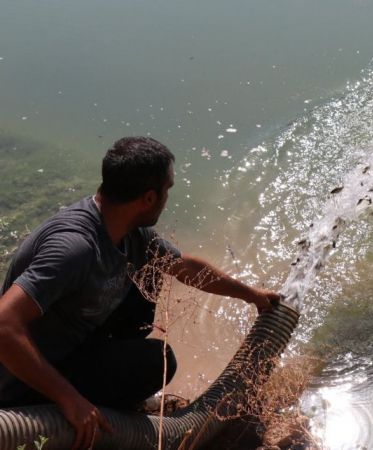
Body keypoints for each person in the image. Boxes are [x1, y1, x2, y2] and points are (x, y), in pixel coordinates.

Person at [0, 137, 281, 449]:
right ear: (149, 198)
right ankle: (89, 415)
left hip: (73, 348)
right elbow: (3, 325)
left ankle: (108, 407)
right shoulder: (75, 248)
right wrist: (69, 400)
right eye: (168, 189)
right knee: (156, 364)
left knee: (146, 287)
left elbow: (183, 266)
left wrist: (251, 295)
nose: (167, 198)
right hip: (24, 380)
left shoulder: (127, 229)